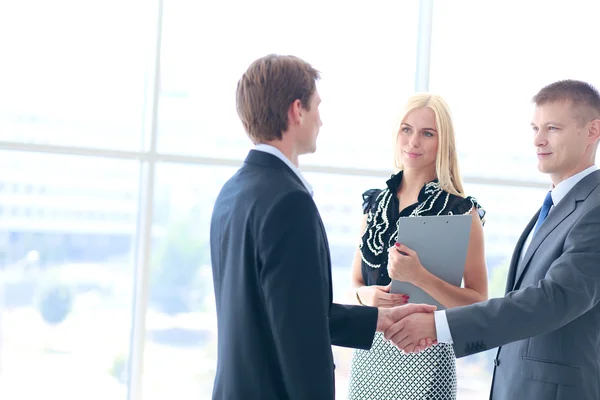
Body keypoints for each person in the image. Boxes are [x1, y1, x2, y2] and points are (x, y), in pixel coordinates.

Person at [209, 54, 436, 400]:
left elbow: (292, 310)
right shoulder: (289, 201)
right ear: (296, 110)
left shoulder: (232, 192)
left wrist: (378, 319)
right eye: (317, 106)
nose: (321, 120)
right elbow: (298, 335)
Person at [385, 80, 600, 400]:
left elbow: (551, 301)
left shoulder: (595, 208)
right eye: (535, 128)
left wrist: (439, 326)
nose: (539, 140)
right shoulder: (559, 205)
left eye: (552, 128)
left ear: (592, 131)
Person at [347, 93, 488, 400]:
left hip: (427, 360)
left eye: (427, 134)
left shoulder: (462, 212)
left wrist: (420, 276)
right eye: (406, 129)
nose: (413, 142)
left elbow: (478, 304)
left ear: (443, 143)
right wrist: (364, 295)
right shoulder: (373, 204)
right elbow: (355, 283)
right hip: (369, 356)